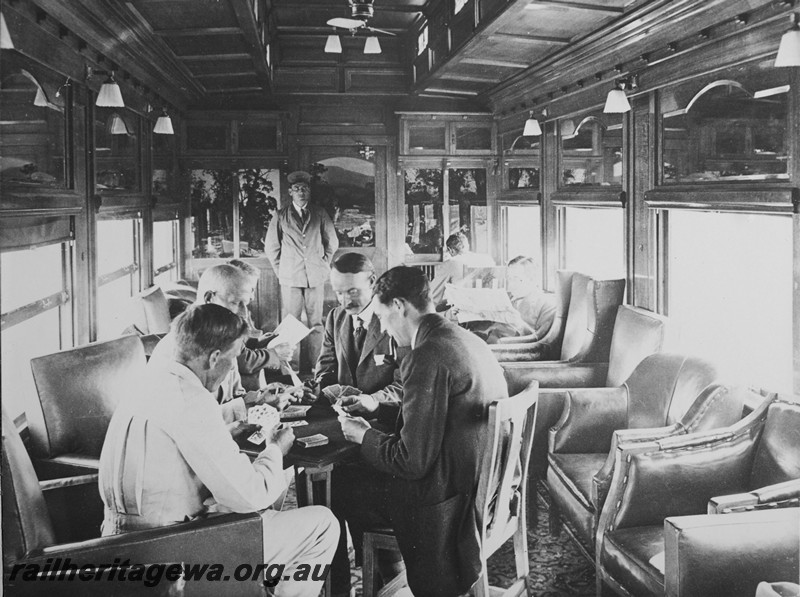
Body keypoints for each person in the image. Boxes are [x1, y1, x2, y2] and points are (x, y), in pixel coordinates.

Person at [98, 304, 338, 597]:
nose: (233, 366)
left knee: (257, 501)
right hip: (168, 548)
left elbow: (180, 432)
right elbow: (250, 496)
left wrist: (238, 414)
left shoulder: (151, 379)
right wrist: (276, 448)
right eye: (235, 357)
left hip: (118, 540)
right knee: (322, 525)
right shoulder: (191, 399)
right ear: (214, 358)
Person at [331, 266, 508, 597]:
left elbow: (411, 462)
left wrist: (362, 436)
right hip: (486, 484)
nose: (382, 326)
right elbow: (438, 414)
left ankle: (354, 586)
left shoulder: (424, 354)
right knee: (361, 474)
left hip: (447, 503)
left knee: (341, 485)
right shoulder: (461, 337)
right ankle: (392, 572)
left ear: (399, 306)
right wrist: (377, 407)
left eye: (382, 316)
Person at [149, 264, 293, 425]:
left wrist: (263, 396)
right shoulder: (179, 351)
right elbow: (195, 423)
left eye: (246, 304)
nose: (244, 314)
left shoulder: (225, 339)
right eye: (236, 303)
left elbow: (235, 396)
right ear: (209, 298)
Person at [265, 170, 339, 372]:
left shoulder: (319, 213)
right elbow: (272, 247)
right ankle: (292, 368)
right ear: (290, 192)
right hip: (290, 277)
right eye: (297, 189)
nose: (301, 192)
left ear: (309, 191)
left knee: (316, 324)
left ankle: (318, 368)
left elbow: (331, 242)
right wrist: (282, 271)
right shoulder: (281, 216)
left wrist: (323, 264)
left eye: (304, 189)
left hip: (315, 276)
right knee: (291, 324)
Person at [314, 252, 404, 411]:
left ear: (372, 281)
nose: (345, 301)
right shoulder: (335, 317)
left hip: (384, 416)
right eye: (339, 293)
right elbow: (326, 370)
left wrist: (372, 401)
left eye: (352, 291)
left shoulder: (395, 319)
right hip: (342, 414)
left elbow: (406, 383)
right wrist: (316, 388)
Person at [228, 258, 294, 389]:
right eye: (249, 289)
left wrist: (257, 341)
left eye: (253, 289)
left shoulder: (238, 308)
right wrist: (275, 353)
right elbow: (242, 360)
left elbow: (241, 345)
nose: (252, 297)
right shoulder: (228, 314)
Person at [429, 231, 495, 305]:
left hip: (463, 310)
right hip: (489, 307)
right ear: (468, 246)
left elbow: (433, 296)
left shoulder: (450, 263)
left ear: (450, 250)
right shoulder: (487, 259)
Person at [506, 255, 556, 341]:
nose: (510, 286)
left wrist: (519, 324)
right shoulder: (509, 299)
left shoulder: (547, 305)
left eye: (516, 279)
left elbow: (542, 342)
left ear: (532, 279)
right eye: (509, 279)